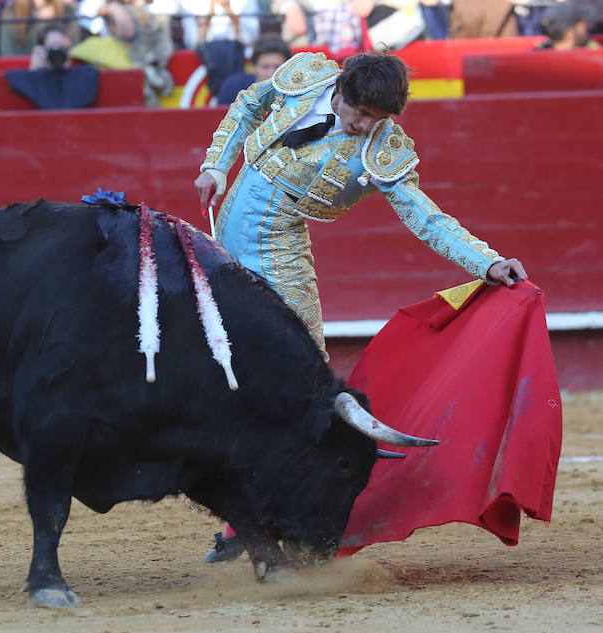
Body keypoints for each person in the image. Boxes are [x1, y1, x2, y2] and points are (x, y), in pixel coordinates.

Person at [193, 51, 527, 563]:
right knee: (219, 378)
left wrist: (487, 263)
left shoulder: (381, 149)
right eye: (358, 111)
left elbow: (426, 219)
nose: (362, 124)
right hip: (223, 246)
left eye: (376, 117)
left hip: (279, 259)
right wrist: (217, 164)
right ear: (342, 89)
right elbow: (247, 105)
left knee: (303, 392)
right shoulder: (307, 78)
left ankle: (264, 521)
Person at [214, 35, 290, 105]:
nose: (271, 73)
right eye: (265, 67)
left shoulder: (296, 92)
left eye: (278, 67)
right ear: (253, 67)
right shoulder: (232, 86)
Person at [535, 1, 600, 50]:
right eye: (581, 23)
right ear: (570, 33)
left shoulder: (537, 54)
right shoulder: (590, 58)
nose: (586, 26)